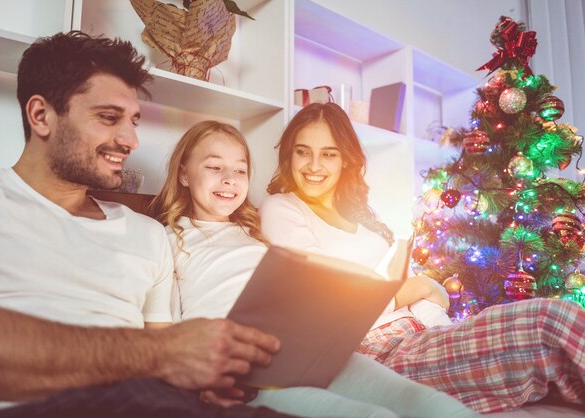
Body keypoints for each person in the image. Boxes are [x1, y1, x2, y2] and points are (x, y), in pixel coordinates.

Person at [0, 31, 299, 418]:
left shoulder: (147, 234)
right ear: (41, 116)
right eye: (108, 118)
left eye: (134, 121)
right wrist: (160, 354)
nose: (132, 140)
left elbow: (170, 362)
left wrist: (203, 380)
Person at [258, 102, 585, 413]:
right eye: (303, 152)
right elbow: (321, 296)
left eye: (328, 154)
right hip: (374, 351)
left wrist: (437, 311)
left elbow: (411, 283)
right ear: (289, 155)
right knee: (549, 322)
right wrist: (415, 289)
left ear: (345, 159)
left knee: (556, 359)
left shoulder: (360, 218)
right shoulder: (282, 207)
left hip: (423, 331)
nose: (314, 166)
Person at [148, 120, 479, 418]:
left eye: (240, 170)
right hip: (241, 367)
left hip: (303, 350)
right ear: (183, 173)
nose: (229, 180)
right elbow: (163, 331)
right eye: (214, 166)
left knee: (424, 403)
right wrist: (198, 377)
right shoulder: (165, 239)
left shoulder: (255, 233)